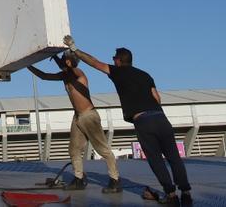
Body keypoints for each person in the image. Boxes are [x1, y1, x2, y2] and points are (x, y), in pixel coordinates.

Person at [73, 45, 192, 205]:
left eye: (114, 58)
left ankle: (171, 195)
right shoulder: (145, 75)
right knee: (174, 158)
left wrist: (75, 50)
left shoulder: (118, 72)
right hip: (161, 118)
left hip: (143, 121)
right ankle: (186, 192)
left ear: (120, 60)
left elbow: (95, 63)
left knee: (156, 159)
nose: (112, 60)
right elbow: (157, 98)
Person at [27, 54, 121, 192]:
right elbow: (44, 76)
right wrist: (28, 65)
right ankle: (79, 179)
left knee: (103, 150)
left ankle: (115, 180)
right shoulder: (64, 76)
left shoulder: (79, 74)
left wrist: (58, 59)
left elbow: (71, 70)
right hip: (77, 117)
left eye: (65, 62)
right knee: (74, 149)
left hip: (89, 115)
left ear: (69, 62)